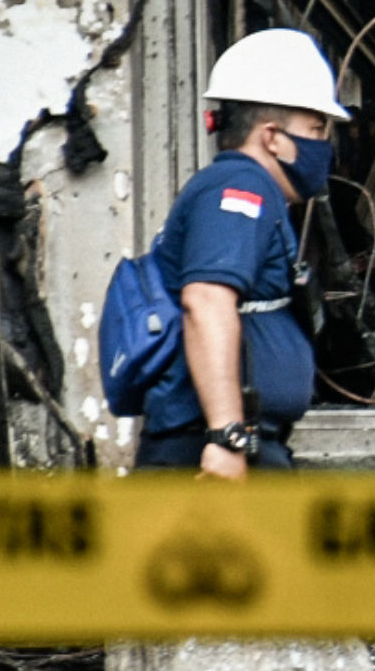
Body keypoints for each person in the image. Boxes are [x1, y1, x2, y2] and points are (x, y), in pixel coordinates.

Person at [136, 28, 350, 476]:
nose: (322, 145)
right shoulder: (239, 188)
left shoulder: (251, 193)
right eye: (314, 129)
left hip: (241, 446)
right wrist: (227, 436)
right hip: (207, 451)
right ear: (271, 136)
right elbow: (207, 299)